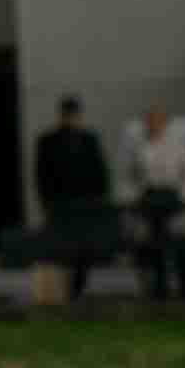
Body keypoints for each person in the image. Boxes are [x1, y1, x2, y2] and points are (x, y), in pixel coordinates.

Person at [33, 94, 113, 300]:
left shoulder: (89, 140)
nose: (71, 119)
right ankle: (65, 289)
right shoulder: (47, 141)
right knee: (61, 249)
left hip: (85, 204)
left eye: (73, 115)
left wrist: (100, 201)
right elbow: (42, 174)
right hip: (60, 204)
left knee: (84, 250)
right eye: (68, 115)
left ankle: (76, 287)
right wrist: (46, 202)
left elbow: (100, 172)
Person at [124, 103, 185, 301]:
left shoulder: (178, 143)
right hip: (149, 196)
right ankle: (158, 289)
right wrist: (134, 196)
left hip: (172, 195)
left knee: (179, 241)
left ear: (165, 123)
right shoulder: (138, 145)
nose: (153, 124)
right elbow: (130, 174)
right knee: (152, 244)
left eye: (158, 121)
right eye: (150, 121)